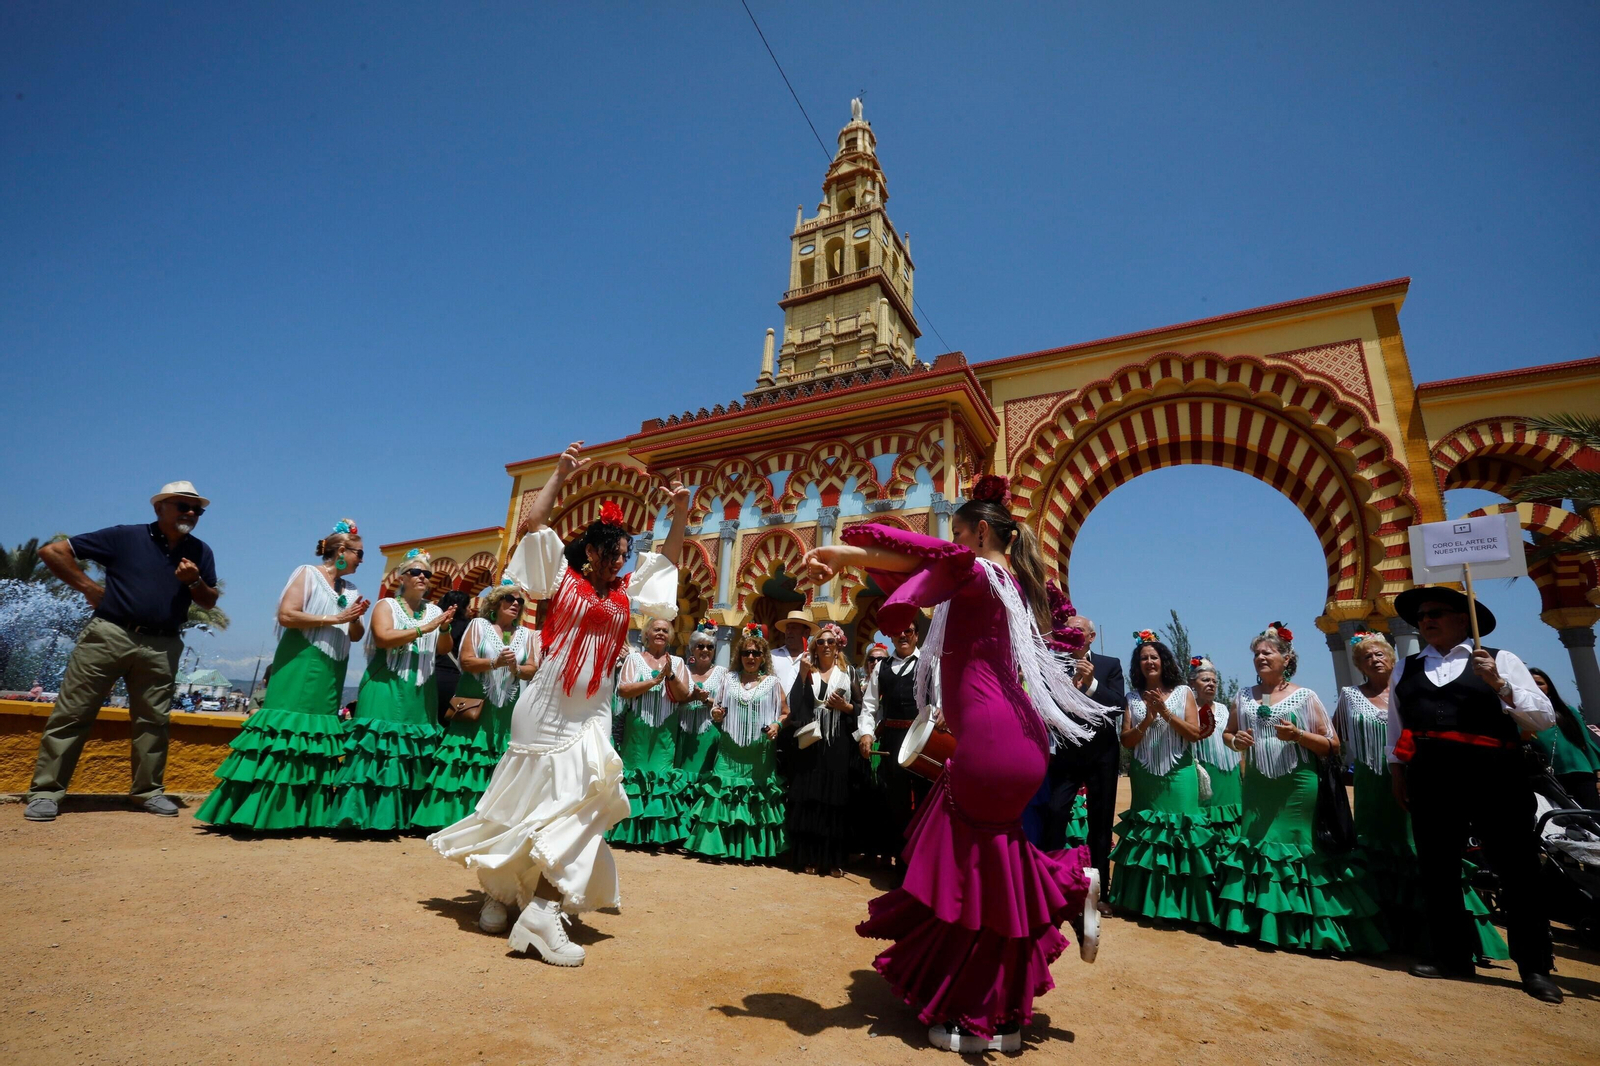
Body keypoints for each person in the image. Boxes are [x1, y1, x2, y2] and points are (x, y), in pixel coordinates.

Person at [801, 475, 1108, 1054]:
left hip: (992, 743)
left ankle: (994, 986)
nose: (955, 543)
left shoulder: (978, 571)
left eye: (961, 532)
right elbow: (1062, 625)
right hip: (1015, 737)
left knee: (968, 875)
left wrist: (841, 554)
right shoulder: (1017, 584)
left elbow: (920, 556)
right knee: (991, 869)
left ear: (983, 532)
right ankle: (1003, 1009)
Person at [429, 442, 688, 967]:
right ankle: (501, 895)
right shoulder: (560, 581)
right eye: (612, 552)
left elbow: (669, 562)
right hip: (546, 702)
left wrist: (680, 512)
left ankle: (543, 909)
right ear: (591, 551)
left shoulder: (625, 595)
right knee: (526, 805)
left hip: (592, 708)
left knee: (589, 796)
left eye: (625, 554)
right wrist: (562, 473)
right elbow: (534, 526)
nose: (621, 561)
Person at [1387, 587, 1560, 1002]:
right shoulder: (1406, 667)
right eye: (1421, 616)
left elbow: (1543, 716)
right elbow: (1396, 725)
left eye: (1436, 613)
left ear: (1464, 620)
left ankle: (1534, 967)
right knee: (1438, 867)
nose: (1426, 620)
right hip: (1430, 774)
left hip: (1494, 774)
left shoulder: (1500, 660)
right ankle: (1452, 957)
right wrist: (1397, 771)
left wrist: (1500, 686)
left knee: (1517, 868)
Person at [26, 481, 220, 822]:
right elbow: (53, 552)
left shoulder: (200, 552)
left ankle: (147, 792)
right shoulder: (124, 536)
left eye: (197, 510)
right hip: (109, 634)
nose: (191, 513)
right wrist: (89, 588)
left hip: (163, 644)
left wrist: (193, 581)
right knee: (73, 713)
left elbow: (208, 600)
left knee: (154, 721)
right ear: (159, 508)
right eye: (182, 506)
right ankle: (46, 792)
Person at [1335, 633, 1508, 961]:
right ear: (1358, 664)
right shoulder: (1349, 696)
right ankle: (1386, 933)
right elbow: (1336, 736)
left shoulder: (1409, 689)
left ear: (1391, 656)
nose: (1374, 659)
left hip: (1418, 779)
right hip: (1373, 786)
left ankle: (1451, 937)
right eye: (1366, 656)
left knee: (1425, 852)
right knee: (1376, 850)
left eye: (1380, 653)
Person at [1216, 623, 1385, 953]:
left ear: (1286, 658)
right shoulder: (1243, 696)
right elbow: (1228, 733)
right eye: (1256, 653)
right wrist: (1236, 739)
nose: (1261, 657)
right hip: (1257, 787)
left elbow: (1333, 744)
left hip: (1297, 786)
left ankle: (1308, 928)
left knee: (1299, 849)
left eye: (1268, 652)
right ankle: (1255, 923)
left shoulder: (1306, 697)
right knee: (1258, 848)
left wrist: (1298, 736)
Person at [195, 520, 370, 830]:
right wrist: (336, 617)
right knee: (288, 731)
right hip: (301, 659)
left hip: (332, 669)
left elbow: (355, 635)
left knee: (316, 735)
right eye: (359, 553)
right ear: (342, 551)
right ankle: (260, 810)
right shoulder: (308, 574)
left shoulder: (351, 589)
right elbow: (287, 615)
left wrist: (354, 619)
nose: (361, 559)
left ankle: (304, 814)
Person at [328, 548, 455, 831]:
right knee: (377, 748)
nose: (423, 577)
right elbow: (383, 638)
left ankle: (403, 818)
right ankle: (360, 816)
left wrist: (443, 629)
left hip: (420, 689)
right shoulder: (386, 606)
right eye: (416, 572)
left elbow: (443, 650)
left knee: (412, 752)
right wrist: (426, 629)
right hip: (386, 684)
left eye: (427, 574)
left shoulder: (433, 611)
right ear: (402, 577)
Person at [413, 581, 540, 829]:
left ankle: (493, 821)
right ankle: (452, 816)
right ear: (495, 603)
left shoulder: (527, 634)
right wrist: (495, 663)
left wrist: (516, 667)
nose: (515, 604)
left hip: (508, 708)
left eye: (520, 601)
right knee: (467, 754)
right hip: (475, 702)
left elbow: (533, 668)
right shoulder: (478, 626)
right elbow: (467, 660)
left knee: (502, 755)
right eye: (509, 599)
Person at [1107, 634, 1213, 923]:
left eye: (1154, 657)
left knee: (1181, 833)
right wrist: (1147, 718)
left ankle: (1186, 906)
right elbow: (1127, 741)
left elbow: (1194, 733)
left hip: (1179, 773)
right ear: (1137, 665)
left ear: (1164, 661)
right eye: (1143, 658)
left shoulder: (1184, 693)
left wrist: (1165, 712)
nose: (1149, 662)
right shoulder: (1132, 697)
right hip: (1145, 774)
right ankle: (1143, 902)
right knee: (1149, 835)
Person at [1037, 610, 1125, 908]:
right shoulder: (1053, 664)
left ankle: (1099, 893)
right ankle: (1049, 884)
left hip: (1102, 754)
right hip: (1065, 753)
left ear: (1091, 637)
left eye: (1078, 631)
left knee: (1100, 822)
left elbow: (1117, 706)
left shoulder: (1108, 665)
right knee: (1055, 811)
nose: (1072, 635)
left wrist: (1091, 685)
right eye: (1067, 631)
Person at [682, 623, 790, 862]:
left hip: (758, 754)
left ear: (763, 657)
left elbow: (785, 712)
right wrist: (717, 714)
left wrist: (777, 725)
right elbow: (718, 708)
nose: (750, 657)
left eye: (756, 653)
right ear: (739, 655)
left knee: (754, 797)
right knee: (723, 794)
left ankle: (751, 850)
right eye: (745, 653)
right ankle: (715, 847)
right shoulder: (728, 679)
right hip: (729, 749)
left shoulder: (773, 683)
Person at [855, 619, 940, 866]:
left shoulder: (930, 663)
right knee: (897, 803)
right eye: (898, 631)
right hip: (892, 742)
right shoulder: (882, 668)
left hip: (921, 740)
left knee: (924, 803)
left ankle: (924, 869)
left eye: (908, 630)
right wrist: (867, 734)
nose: (903, 635)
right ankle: (902, 866)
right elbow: (869, 706)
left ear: (916, 635)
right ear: (891, 635)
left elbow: (939, 701)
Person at [779, 621, 861, 876]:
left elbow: (862, 708)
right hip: (811, 742)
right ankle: (808, 857)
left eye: (831, 642)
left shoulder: (850, 674)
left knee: (833, 801)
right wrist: (803, 676)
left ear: (838, 647)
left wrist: (845, 708)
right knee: (810, 799)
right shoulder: (808, 671)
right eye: (821, 642)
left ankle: (832, 859)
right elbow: (795, 706)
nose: (826, 645)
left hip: (838, 743)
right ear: (815, 647)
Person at [608, 616, 691, 847]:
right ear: (646, 634)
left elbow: (684, 696)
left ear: (670, 636)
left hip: (665, 729)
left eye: (665, 630)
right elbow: (624, 689)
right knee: (635, 774)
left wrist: (670, 675)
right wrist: (654, 682)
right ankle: (627, 833)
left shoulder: (678, 662)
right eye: (656, 629)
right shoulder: (634, 660)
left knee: (660, 776)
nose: (661, 633)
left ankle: (657, 835)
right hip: (638, 728)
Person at [1187, 657, 1242, 873]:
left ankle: (1231, 870)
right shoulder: (1188, 710)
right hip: (1204, 774)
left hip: (1229, 774)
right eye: (1205, 680)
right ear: (1193, 684)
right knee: (1206, 822)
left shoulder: (1225, 710)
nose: (1211, 684)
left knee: (1231, 822)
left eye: (1214, 681)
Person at [673, 622, 727, 840]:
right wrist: (690, 697)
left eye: (710, 647)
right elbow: (672, 698)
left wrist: (707, 700)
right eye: (700, 646)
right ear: (692, 649)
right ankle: (680, 830)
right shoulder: (682, 671)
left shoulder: (723, 674)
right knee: (681, 777)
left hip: (710, 733)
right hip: (684, 732)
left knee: (705, 780)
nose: (705, 650)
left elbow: (725, 704)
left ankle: (698, 832)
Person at [1527, 667, 1600, 810]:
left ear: (1549, 687)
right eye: (1530, 683)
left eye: (1540, 683)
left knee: (1594, 818)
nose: (1536, 688)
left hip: (1580, 773)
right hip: (1546, 780)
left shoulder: (1567, 712)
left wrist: (1598, 775)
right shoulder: (1519, 717)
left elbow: (1586, 743)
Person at [431, 589, 475, 724]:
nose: (471, 610)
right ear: (461, 608)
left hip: (430, 675)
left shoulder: (433, 623)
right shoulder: (467, 627)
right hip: (452, 678)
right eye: (468, 606)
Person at [770, 609, 815, 695]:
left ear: (806, 632)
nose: (789, 632)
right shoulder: (772, 655)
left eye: (794, 628)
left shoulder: (813, 658)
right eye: (788, 628)